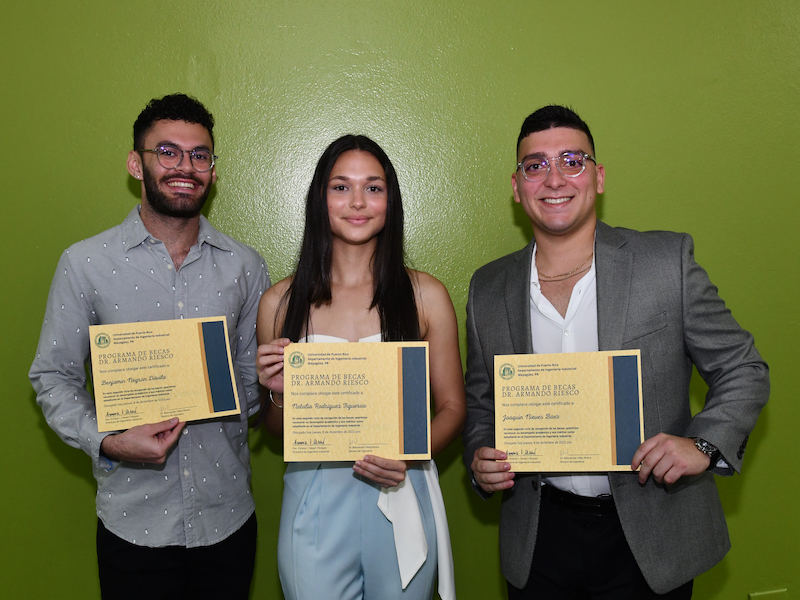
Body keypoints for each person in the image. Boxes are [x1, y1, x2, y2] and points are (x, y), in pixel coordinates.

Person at [462, 105, 769, 599]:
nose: (554, 177)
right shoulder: (487, 288)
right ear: (517, 188)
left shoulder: (665, 263)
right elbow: (482, 403)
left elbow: (744, 369)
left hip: (652, 537)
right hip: (540, 537)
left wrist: (704, 445)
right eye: (535, 165)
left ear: (598, 177)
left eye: (572, 160)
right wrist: (480, 456)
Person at [29, 93, 270, 599]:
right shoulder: (84, 263)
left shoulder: (245, 267)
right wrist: (108, 440)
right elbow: (52, 378)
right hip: (132, 525)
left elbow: (249, 389)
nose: (185, 166)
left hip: (227, 519)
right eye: (168, 151)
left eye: (199, 154)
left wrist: (272, 387)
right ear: (136, 164)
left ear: (212, 170)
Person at [256, 134, 464, 600]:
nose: (357, 202)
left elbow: (452, 406)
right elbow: (275, 430)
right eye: (340, 187)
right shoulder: (279, 302)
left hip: (402, 487)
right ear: (319, 198)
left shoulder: (426, 295)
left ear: (390, 200)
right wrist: (276, 391)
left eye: (373, 188)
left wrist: (408, 454)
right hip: (314, 500)